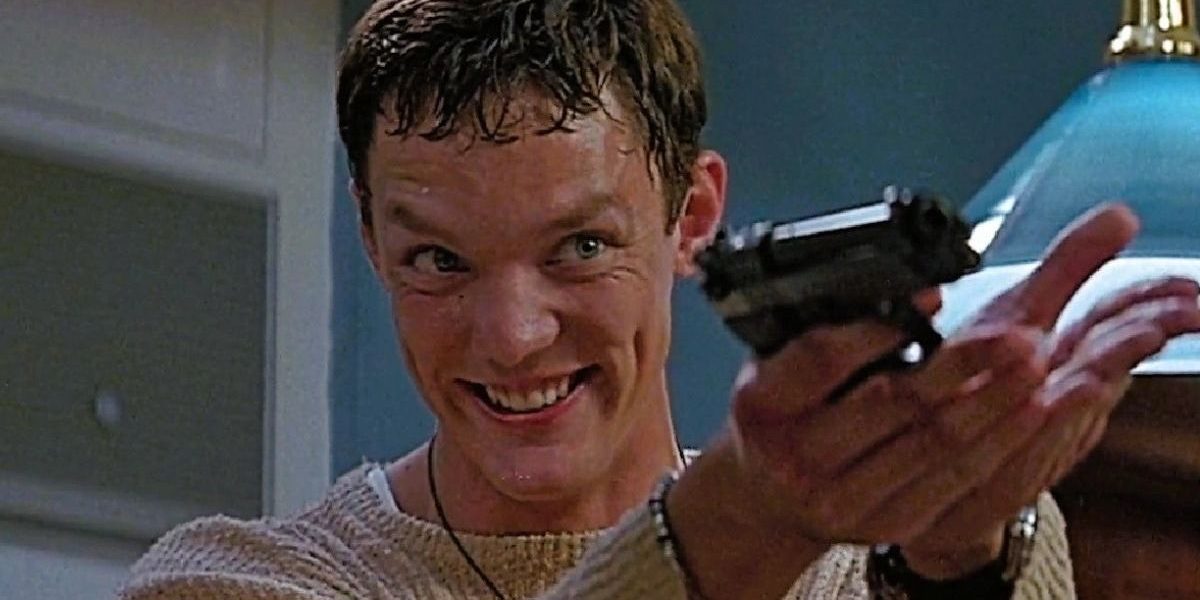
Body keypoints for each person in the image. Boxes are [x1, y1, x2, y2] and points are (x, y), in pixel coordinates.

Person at [120, 0, 1200, 598]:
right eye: (439, 261)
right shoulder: (239, 587)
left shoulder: (863, 567)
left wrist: (960, 562)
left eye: (580, 247)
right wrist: (738, 525)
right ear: (370, 239)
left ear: (694, 218)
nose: (512, 337)